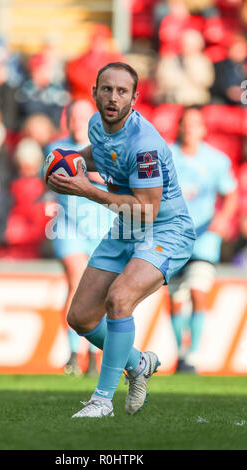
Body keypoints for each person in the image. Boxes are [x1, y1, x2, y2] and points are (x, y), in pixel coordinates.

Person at [46, 62, 196, 418]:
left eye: (122, 91)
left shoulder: (145, 144)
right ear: (94, 92)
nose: (113, 97)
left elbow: (146, 209)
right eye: (107, 89)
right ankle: (138, 362)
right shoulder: (96, 124)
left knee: (119, 299)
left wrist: (87, 190)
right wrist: (65, 163)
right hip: (126, 226)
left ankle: (101, 401)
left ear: (135, 97)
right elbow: (100, 153)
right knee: (81, 318)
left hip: (164, 229)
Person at [45, 99, 115, 376]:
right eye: (73, 117)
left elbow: (117, 183)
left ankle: (96, 356)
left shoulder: (108, 148)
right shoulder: (57, 149)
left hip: (103, 225)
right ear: (67, 119)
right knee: (77, 280)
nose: (77, 122)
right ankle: (74, 354)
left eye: (83, 117)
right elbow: (51, 179)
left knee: (102, 291)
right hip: (69, 226)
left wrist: (89, 177)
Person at [169, 107, 237, 372]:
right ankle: (181, 353)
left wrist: (223, 218)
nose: (190, 129)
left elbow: (230, 194)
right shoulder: (166, 156)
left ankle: (193, 355)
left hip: (204, 237)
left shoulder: (216, 160)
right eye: (186, 124)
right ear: (179, 127)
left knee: (198, 289)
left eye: (195, 124)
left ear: (203, 129)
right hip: (172, 237)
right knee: (175, 297)